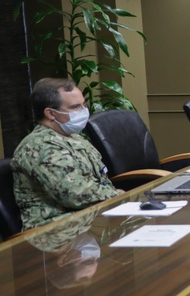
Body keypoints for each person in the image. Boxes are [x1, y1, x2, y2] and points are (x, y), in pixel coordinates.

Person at [11, 78, 121, 230]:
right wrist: (120, 196)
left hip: (88, 221)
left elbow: (99, 181)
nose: (83, 111)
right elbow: (75, 194)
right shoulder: (41, 146)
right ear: (51, 113)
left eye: (83, 105)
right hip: (54, 232)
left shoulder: (74, 138)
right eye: (75, 107)